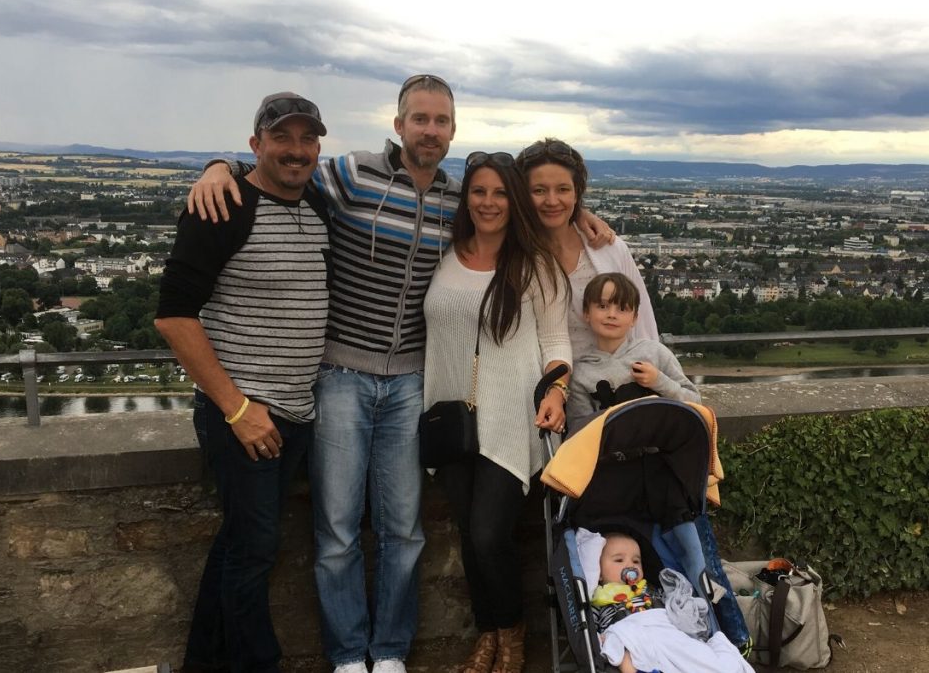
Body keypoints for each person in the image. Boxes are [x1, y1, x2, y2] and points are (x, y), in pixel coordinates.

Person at [185, 77, 613, 673]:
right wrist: (219, 167)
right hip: (340, 375)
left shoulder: (457, 199)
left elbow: (514, 207)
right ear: (399, 124)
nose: (430, 131)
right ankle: (346, 656)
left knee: (406, 531)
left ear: (453, 131)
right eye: (420, 119)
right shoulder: (353, 174)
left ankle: (388, 652)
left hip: (414, 384)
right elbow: (282, 168)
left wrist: (578, 214)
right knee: (336, 530)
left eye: (441, 121)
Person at [154, 92, 331, 673]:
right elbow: (175, 316)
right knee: (255, 552)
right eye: (283, 137)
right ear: (256, 144)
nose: (297, 150)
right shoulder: (224, 207)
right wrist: (236, 409)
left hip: (296, 412)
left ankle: (202, 663)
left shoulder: (318, 206)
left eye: (307, 139)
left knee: (239, 546)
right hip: (245, 415)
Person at [423, 151, 572, 673]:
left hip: (511, 421)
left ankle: (511, 636)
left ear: (515, 201)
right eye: (479, 192)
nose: (489, 203)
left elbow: (556, 341)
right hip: (450, 419)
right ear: (467, 198)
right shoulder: (443, 252)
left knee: (490, 534)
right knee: (469, 533)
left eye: (501, 193)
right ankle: (487, 633)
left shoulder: (534, 264)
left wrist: (555, 391)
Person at [514, 138, 658, 362]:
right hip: (543, 390)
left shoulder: (610, 249)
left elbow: (644, 327)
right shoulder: (512, 255)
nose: (552, 201)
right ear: (522, 195)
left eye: (563, 189)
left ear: (576, 193)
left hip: (614, 388)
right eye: (539, 190)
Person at [589, 533, 754, 673]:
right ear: (599, 572)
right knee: (619, 644)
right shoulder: (597, 599)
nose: (630, 566)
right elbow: (592, 630)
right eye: (619, 560)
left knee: (693, 651)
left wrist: (682, 605)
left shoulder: (649, 589)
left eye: (636, 561)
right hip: (627, 630)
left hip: (662, 627)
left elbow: (674, 607)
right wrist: (601, 638)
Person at [566, 272, 699, 435]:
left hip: (660, 455)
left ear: (634, 318)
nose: (612, 315)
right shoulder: (580, 374)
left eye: (622, 308)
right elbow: (578, 433)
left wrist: (659, 380)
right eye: (603, 306)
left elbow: (695, 403)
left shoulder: (655, 353)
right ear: (586, 313)